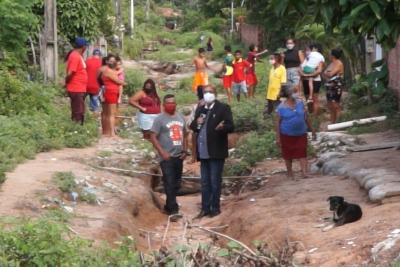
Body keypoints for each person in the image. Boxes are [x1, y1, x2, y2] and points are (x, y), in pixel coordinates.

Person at [190, 85, 234, 218]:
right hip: (203, 152)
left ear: (216, 93)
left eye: (210, 92)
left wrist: (222, 127)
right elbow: (193, 127)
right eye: (205, 92)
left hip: (216, 151)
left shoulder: (223, 108)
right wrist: (197, 122)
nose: (208, 94)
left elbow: (231, 126)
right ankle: (205, 208)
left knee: (215, 180)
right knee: (204, 182)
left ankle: (215, 208)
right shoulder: (201, 109)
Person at [150, 94, 187, 216]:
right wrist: (162, 152)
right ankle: (173, 210)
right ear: (164, 105)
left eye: (173, 103)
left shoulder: (181, 117)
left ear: (176, 104)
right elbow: (153, 136)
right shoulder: (159, 119)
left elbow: (185, 134)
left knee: (176, 183)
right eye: (168, 103)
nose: (171, 105)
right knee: (169, 182)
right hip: (166, 157)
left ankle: (167, 206)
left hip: (179, 156)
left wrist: (185, 150)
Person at [275, 86, 316, 179]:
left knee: (302, 151)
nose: (297, 94)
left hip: (301, 133)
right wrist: (277, 137)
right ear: (288, 94)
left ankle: (304, 173)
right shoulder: (281, 108)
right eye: (294, 92)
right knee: (288, 154)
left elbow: (306, 117)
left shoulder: (300, 103)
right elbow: (277, 123)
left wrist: (312, 129)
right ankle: (290, 173)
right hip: (286, 134)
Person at [101, 55, 126, 137]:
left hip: (107, 91)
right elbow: (118, 81)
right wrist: (124, 83)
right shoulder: (109, 71)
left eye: (114, 61)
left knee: (105, 113)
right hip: (111, 92)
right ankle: (112, 133)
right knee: (112, 114)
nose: (113, 62)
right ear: (107, 61)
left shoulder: (105, 69)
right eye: (111, 61)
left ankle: (105, 132)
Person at [65, 37, 88, 125]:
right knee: (78, 110)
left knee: (78, 108)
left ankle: (77, 126)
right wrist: (67, 82)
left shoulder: (77, 56)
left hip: (78, 88)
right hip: (76, 88)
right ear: (83, 47)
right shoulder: (75, 56)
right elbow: (70, 73)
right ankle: (77, 128)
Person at [300, 44, 325, 114]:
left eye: (309, 49)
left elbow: (319, 70)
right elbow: (301, 68)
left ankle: (315, 117)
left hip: (315, 81)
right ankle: (311, 114)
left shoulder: (320, 59)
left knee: (315, 99)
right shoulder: (307, 58)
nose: (307, 51)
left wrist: (307, 75)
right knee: (308, 99)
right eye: (306, 50)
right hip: (305, 80)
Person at [323, 49, 345, 123]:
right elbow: (325, 73)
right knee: (330, 105)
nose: (329, 55)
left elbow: (330, 74)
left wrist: (327, 73)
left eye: (330, 54)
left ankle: (339, 122)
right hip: (329, 86)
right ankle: (332, 122)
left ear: (333, 55)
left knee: (335, 104)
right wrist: (327, 74)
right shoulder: (332, 63)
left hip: (336, 86)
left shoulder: (339, 63)